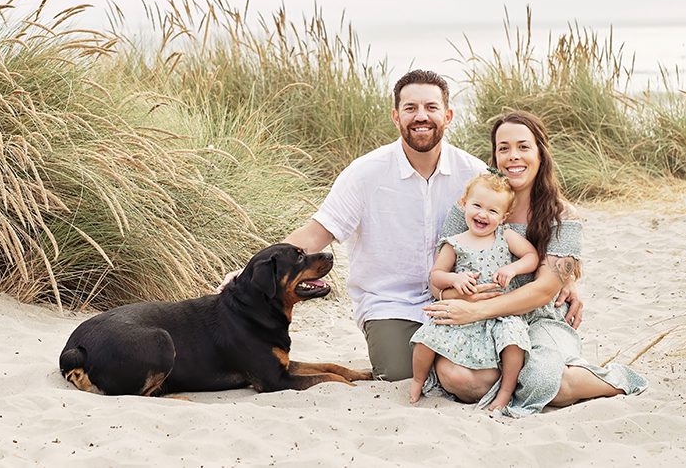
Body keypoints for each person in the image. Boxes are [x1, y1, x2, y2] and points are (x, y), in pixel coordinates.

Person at [217, 71, 585, 381]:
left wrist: (565, 276)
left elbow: (528, 211)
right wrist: (251, 270)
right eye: (410, 108)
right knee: (404, 372)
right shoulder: (365, 174)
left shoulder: (473, 174)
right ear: (396, 116)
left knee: (472, 367)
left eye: (431, 108)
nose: (420, 116)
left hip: (458, 297)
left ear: (449, 115)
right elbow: (317, 232)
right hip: (390, 304)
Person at [422, 111, 647, 415]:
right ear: (495, 156)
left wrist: (477, 308)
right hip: (478, 317)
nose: (513, 156)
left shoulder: (562, 216)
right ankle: (523, 377)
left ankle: (609, 379)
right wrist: (455, 299)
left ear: (541, 152)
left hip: (540, 317)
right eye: (504, 148)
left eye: (523, 147)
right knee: (458, 378)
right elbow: (439, 276)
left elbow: (544, 290)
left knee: (541, 381)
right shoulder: (471, 206)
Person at [408, 171, 539, 410]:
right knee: (426, 337)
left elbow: (531, 256)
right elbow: (436, 275)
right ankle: (418, 380)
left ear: (503, 217)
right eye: (477, 205)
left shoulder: (505, 236)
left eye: (493, 211)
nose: (482, 214)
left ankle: (505, 392)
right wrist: (455, 279)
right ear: (464, 203)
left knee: (514, 341)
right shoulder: (454, 242)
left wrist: (512, 269)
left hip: (499, 313)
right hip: (463, 308)